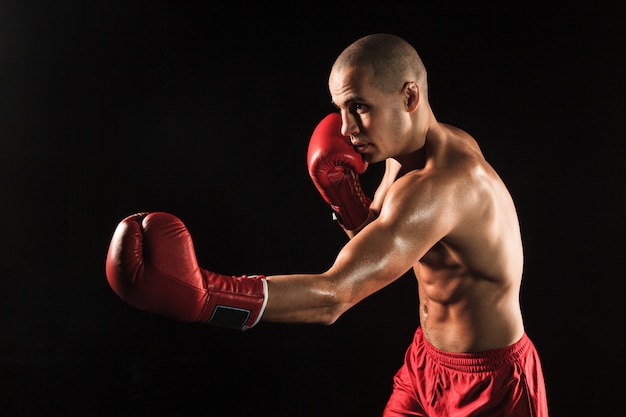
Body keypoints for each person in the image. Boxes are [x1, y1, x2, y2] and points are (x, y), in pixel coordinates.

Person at [106, 33, 548, 416]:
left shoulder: (443, 185)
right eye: (340, 109)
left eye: (359, 107)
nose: (346, 128)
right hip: (426, 365)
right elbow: (375, 238)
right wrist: (344, 197)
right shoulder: (409, 153)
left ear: (409, 97)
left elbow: (334, 296)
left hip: (492, 387)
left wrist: (207, 297)